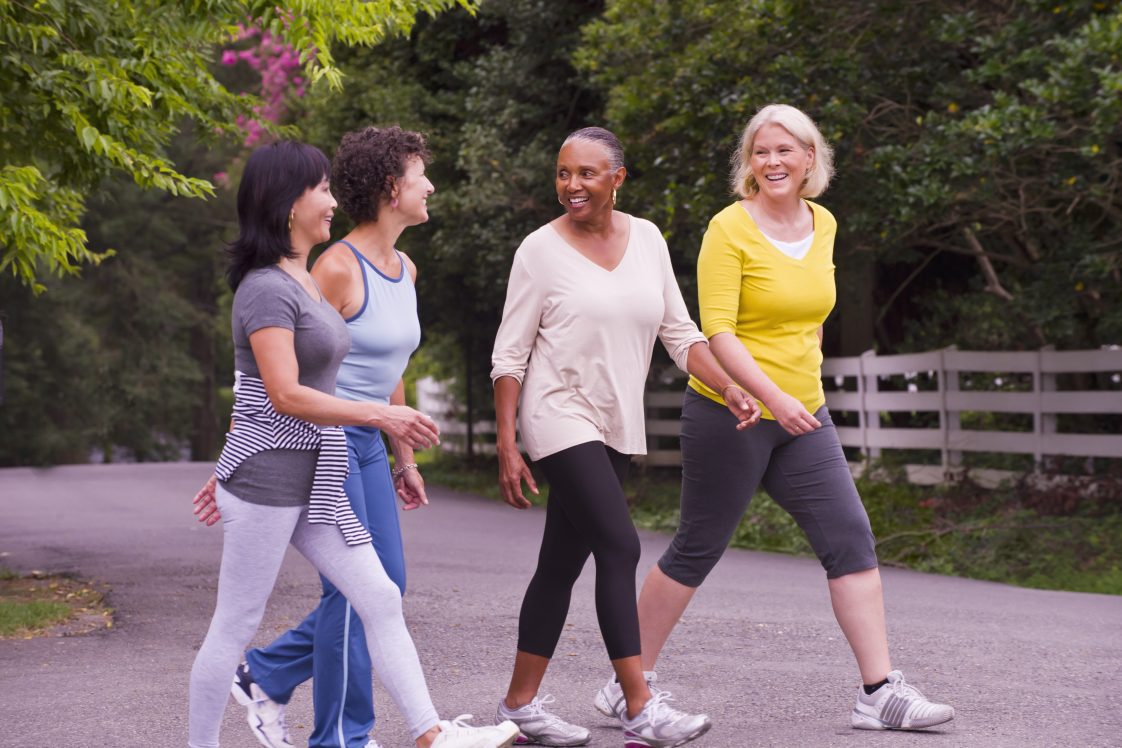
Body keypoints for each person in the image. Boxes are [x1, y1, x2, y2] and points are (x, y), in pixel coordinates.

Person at [592, 104, 956, 733]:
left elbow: (811, 313)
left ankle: (879, 691)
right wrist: (770, 397)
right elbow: (719, 334)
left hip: (803, 415)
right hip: (731, 414)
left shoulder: (826, 223)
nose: (774, 162)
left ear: (810, 158)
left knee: (850, 537)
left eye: (786, 150)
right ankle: (630, 682)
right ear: (749, 163)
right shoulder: (727, 229)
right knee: (698, 546)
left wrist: (799, 389)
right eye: (761, 152)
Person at [187, 139, 519, 748]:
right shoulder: (266, 288)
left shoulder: (301, 281)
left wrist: (394, 446)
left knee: (380, 596)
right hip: (267, 485)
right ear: (289, 204)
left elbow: (299, 382)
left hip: (319, 477)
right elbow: (280, 393)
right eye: (321, 190)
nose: (334, 201)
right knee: (233, 626)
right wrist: (382, 418)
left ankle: (430, 733)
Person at [489, 126, 761, 748]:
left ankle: (518, 704)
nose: (571, 185)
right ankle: (639, 705)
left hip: (614, 420)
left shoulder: (648, 239)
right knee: (620, 546)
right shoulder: (539, 250)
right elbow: (510, 355)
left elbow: (680, 333)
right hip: (557, 412)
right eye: (563, 173)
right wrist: (509, 441)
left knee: (560, 564)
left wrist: (730, 386)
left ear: (617, 177)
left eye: (586, 173)